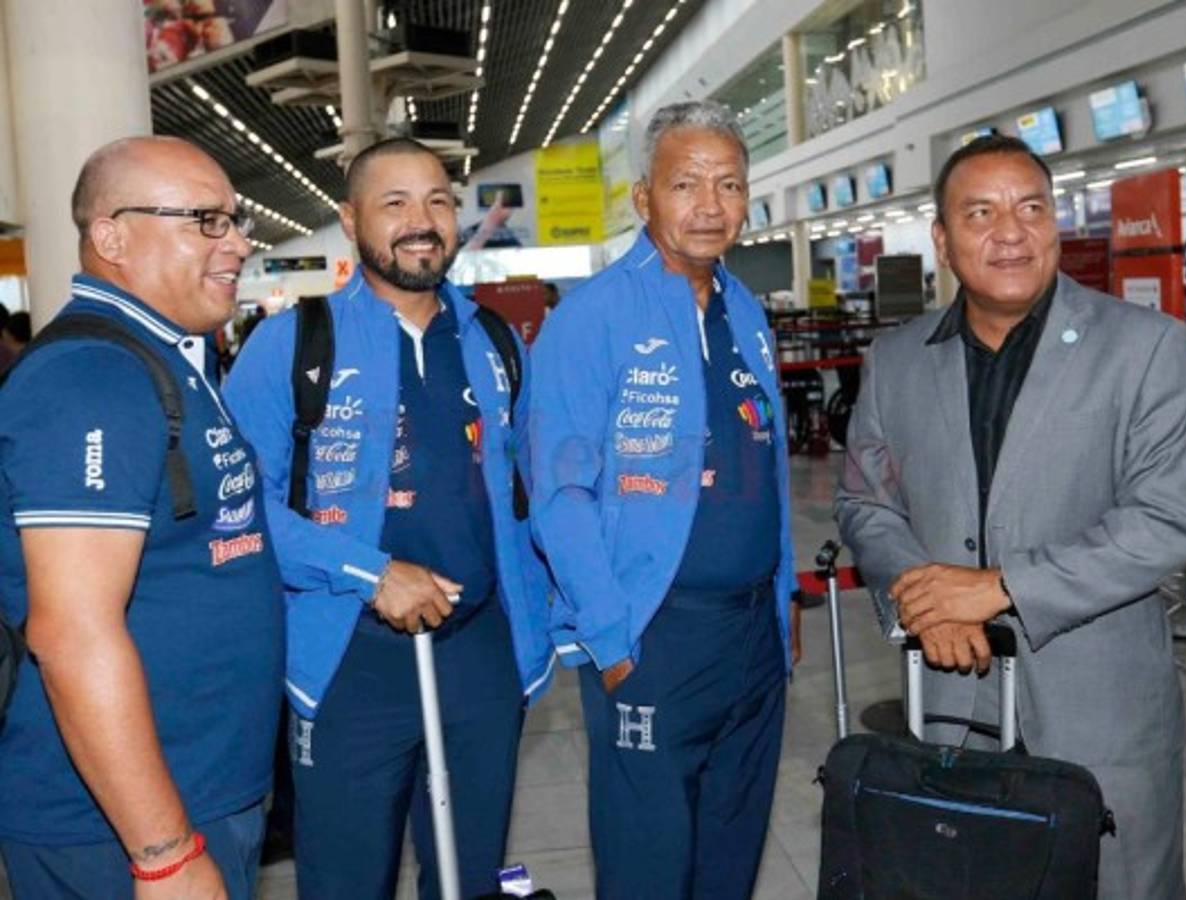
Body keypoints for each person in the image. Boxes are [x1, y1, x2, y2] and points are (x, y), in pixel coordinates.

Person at [836, 133, 1186, 899]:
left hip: (1102, 709)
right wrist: (923, 594)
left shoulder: (1145, 348)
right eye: (979, 212)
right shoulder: (896, 360)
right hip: (951, 701)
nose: (1010, 231)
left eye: (1030, 207)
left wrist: (999, 587)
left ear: (1056, 223)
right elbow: (867, 500)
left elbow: (1168, 516)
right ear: (941, 238)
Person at [224, 137, 553, 900]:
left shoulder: (496, 342)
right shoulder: (292, 345)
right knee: (345, 880)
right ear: (349, 220)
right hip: (347, 664)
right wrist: (368, 572)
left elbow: (529, 493)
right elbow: (236, 506)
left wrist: (546, 630)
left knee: (469, 878)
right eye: (395, 203)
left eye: (438, 201)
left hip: (480, 659)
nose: (422, 221)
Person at [0, 136, 284, 899]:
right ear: (112, 236)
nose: (237, 242)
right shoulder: (91, 379)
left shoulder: (166, 357)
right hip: (118, 828)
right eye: (205, 220)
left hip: (198, 788)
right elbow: (71, 632)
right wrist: (161, 851)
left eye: (234, 219)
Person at [529, 100, 797, 900]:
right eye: (685, 184)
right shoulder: (591, 318)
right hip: (653, 638)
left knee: (730, 854)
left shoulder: (747, 314)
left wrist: (781, 608)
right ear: (643, 198)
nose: (709, 206)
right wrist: (610, 640)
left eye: (729, 185)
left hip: (751, 640)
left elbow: (770, 470)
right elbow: (557, 490)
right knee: (647, 865)